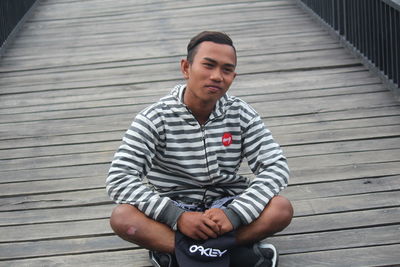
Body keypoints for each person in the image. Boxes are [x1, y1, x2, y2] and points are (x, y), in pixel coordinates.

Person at [106, 31, 293, 267]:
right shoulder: (154, 118)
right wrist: (177, 217)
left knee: (281, 208)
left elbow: (275, 166)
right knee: (122, 217)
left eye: (226, 70)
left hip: (228, 204)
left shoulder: (241, 113)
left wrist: (235, 214)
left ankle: (178, 254)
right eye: (208, 65)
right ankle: (234, 253)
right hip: (174, 207)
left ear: (233, 76)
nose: (217, 76)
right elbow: (119, 178)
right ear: (186, 68)